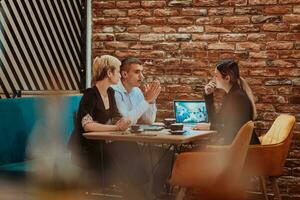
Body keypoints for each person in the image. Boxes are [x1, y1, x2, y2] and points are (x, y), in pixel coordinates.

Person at [68, 55, 149, 199]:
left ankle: (137, 191)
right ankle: (134, 193)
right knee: (123, 151)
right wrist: (116, 128)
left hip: (103, 143)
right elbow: (88, 125)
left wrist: (124, 122)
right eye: (118, 71)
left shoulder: (110, 93)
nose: (120, 74)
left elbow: (117, 117)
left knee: (131, 146)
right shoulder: (90, 95)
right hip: (88, 147)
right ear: (109, 73)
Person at [194, 59, 260, 145]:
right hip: (237, 147)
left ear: (227, 78)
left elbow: (235, 128)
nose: (214, 79)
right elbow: (216, 120)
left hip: (245, 150)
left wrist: (209, 127)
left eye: (216, 75)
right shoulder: (230, 94)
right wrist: (209, 96)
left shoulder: (237, 97)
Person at [112, 57, 161, 124]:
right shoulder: (114, 91)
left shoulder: (137, 91)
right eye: (137, 72)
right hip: (112, 134)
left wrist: (151, 101)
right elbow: (126, 121)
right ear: (124, 74)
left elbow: (149, 121)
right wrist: (146, 100)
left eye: (141, 72)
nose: (142, 77)